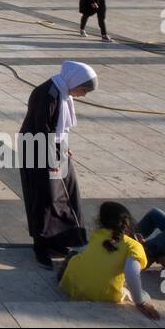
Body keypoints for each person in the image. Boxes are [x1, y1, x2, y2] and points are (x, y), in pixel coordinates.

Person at [20, 61, 96, 267]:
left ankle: (60, 238)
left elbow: (58, 128)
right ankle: (41, 244)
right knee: (44, 197)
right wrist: (52, 158)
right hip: (36, 149)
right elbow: (41, 128)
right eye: (83, 90)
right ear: (75, 82)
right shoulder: (47, 94)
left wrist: (63, 148)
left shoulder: (62, 92)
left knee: (67, 191)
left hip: (52, 148)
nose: (83, 95)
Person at [58, 201, 159, 320]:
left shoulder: (98, 234)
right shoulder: (134, 245)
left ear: (101, 221)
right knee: (144, 295)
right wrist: (141, 302)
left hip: (74, 284)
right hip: (103, 294)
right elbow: (132, 273)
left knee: (75, 254)